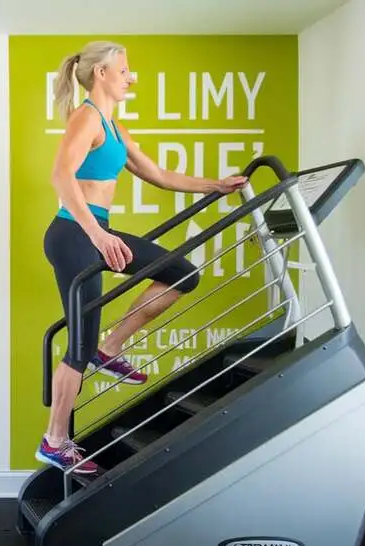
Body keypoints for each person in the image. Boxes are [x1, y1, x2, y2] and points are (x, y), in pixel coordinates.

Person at [37, 41, 247, 476]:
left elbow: (158, 174)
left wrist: (215, 186)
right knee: (77, 341)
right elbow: (61, 175)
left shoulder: (114, 127)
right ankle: (55, 441)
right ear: (101, 74)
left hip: (93, 231)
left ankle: (110, 348)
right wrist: (97, 234)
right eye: (125, 70)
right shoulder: (87, 118)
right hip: (74, 233)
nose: (132, 77)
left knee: (181, 275)